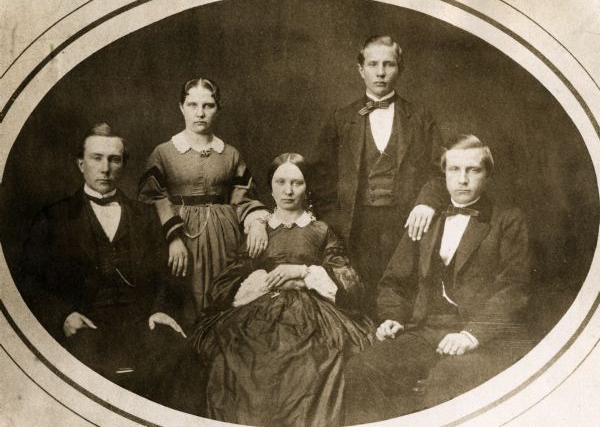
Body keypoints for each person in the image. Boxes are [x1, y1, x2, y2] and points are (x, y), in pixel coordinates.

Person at [344, 134, 531, 423]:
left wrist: (471, 335)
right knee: (361, 369)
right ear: (443, 173)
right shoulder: (426, 218)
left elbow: (514, 289)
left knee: (443, 386)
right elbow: (393, 281)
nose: (463, 179)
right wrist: (392, 317)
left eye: (473, 170)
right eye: (454, 170)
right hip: (426, 329)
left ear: (487, 174)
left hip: (480, 335)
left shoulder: (508, 219)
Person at [184, 153, 373, 427]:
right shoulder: (258, 231)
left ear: (307, 187)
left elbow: (349, 280)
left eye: (296, 183)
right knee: (241, 357)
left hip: (313, 313)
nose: (288, 190)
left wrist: (304, 273)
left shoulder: (321, 230)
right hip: (257, 310)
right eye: (280, 182)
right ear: (270, 187)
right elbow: (226, 282)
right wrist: (264, 277)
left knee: (313, 359)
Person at [21, 123, 187, 402]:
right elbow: (29, 280)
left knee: (178, 353)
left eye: (114, 159)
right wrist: (63, 316)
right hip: (86, 324)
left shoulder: (144, 215)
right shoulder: (55, 217)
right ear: (80, 163)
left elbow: (165, 275)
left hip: (141, 323)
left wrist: (160, 309)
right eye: (97, 158)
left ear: (123, 165)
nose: (106, 168)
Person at [312, 35, 447, 314]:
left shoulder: (420, 118)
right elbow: (321, 176)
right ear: (360, 69)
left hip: (406, 222)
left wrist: (426, 203)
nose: (381, 72)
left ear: (400, 69)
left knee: (400, 296)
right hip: (355, 224)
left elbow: (440, 171)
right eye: (373, 64)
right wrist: (333, 219)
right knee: (358, 299)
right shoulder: (342, 118)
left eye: (389, 64)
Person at [138, 78, 269, 325]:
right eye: (192, 105)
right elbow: (152, 196)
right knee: (185, 303)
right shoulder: (164, 152)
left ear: (218, 108)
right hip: (181, 239)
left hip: (225, 239)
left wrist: (258, 223)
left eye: (208, 106)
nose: (200, 113)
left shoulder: (230, 153)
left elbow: (244, 198)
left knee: (224, 302)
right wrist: (173, 237)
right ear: (181, 107)